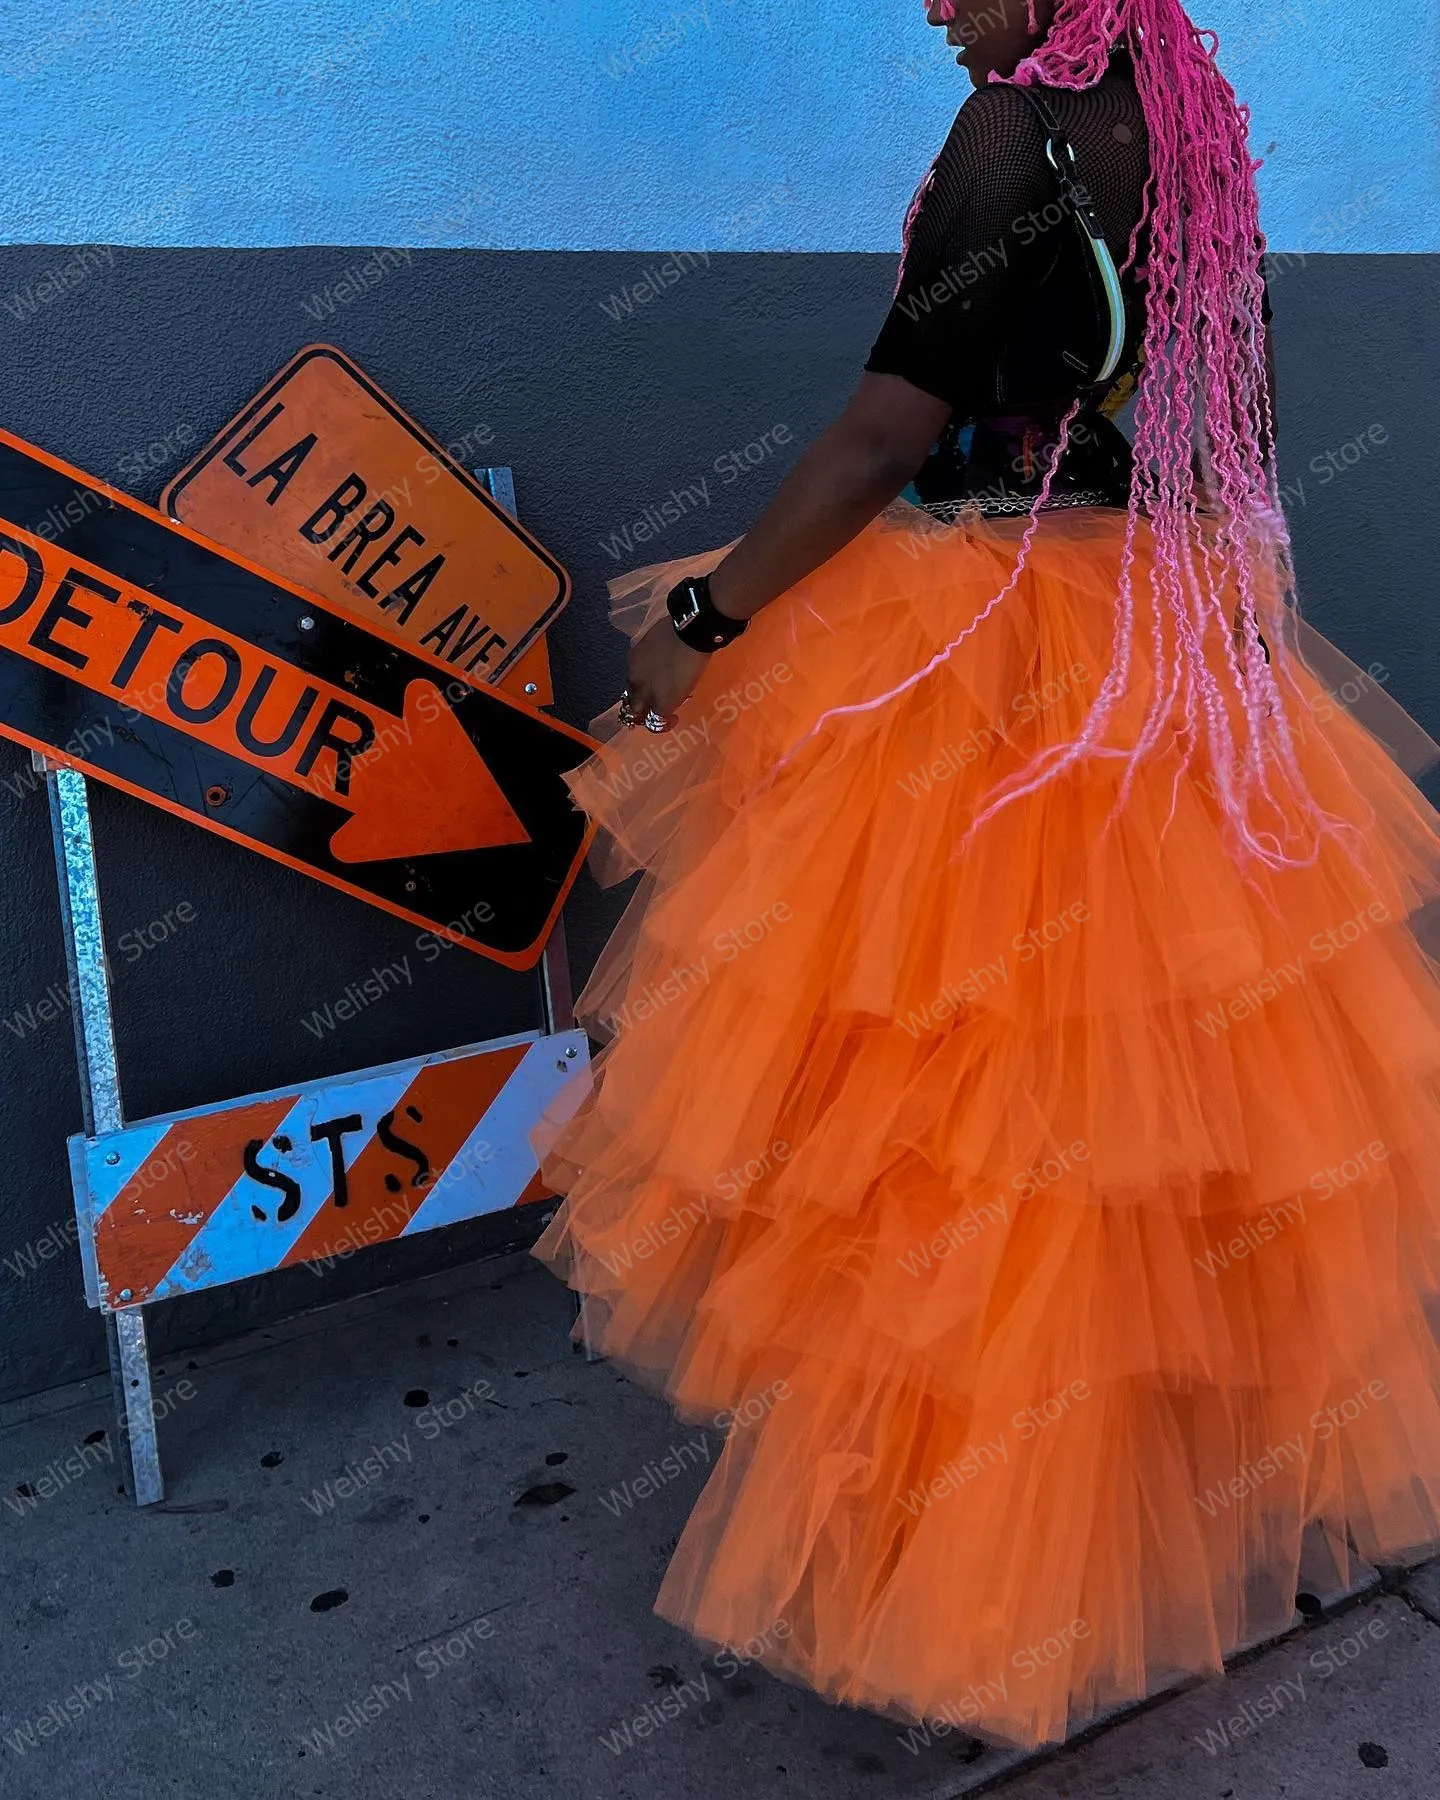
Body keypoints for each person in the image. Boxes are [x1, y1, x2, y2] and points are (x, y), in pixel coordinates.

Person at [532, 0, 1440, 1750]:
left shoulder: (1013, 140)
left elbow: (885, 436)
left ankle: (987, 1584)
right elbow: (1220, 418)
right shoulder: (1188, 121)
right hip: (1162, 643)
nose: (932, 6)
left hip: (1004, 662)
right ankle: (1142, 1530)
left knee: (975, 1132)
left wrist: (710, 626)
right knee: (1156, 1120)